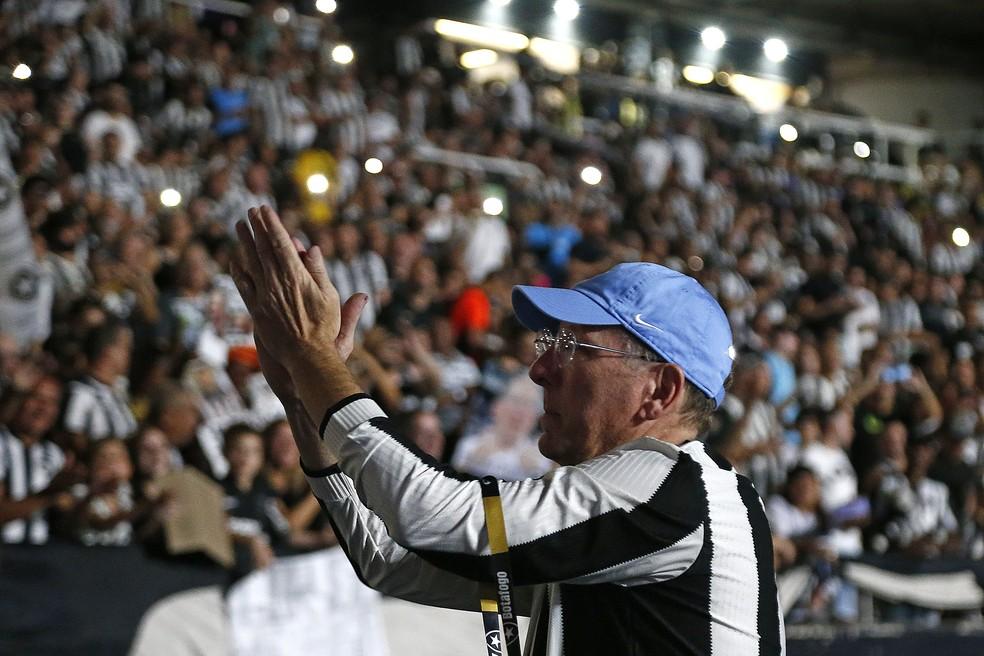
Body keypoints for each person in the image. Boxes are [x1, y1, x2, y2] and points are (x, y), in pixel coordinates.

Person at [231, 205, 784, 654]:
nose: (539, 368)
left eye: (571, 346)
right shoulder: (628, 522)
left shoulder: (673, 487)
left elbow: (431, 513)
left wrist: (313, 358)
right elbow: (389, 559)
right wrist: (303, 399)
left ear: (660, 390)